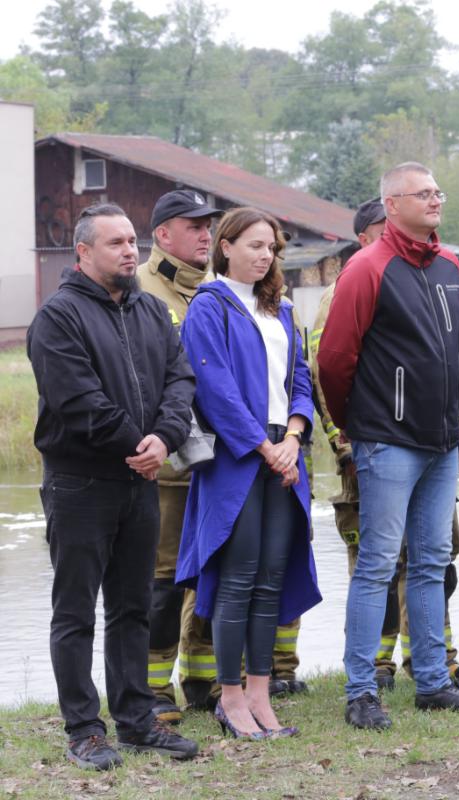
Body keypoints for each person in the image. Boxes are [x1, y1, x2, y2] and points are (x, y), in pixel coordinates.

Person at [319, 162, 459, 727]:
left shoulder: (449, 267)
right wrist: (360, 423)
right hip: (387, 442)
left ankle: (433, 682)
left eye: (438, 191)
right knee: (376, 565)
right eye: (423, 194)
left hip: (442, 441)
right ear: (392, 204)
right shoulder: (367, 269)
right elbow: (334, 359)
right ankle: (360, 692)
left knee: (430, 562)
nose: (436, 200)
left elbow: (456, 356)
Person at [28, 203, 199, 770]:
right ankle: (83, 729)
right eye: (116, 243)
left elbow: (180, 379)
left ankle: (136, 719)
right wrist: (140, 444)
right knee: (75, 611)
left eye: (132, 241)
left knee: (133, 607)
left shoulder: (151, 311)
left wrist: (166, 437)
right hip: (81, 483)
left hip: (141, 480)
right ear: (83, 252)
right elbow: (77, 402)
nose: (130, 250)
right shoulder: (58, 318)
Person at [176, 207, 322, 739]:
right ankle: (230, 697)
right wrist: (264, 446)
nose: (265, 256)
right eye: (255, 245)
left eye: (272, 249)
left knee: (270, 579)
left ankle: (261, 695)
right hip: (239, 457)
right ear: (226, 246)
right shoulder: (209, 307)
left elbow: (300, 377)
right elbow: (215, 390)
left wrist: (294, 438)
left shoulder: (279, 308)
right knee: (237, 578)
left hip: (285, 453)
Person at [137, 190, 222, 721]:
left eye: (209, 226)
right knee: (163, 579)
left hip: (220, 461)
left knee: (212, 571)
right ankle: (151, 689)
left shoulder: (215, 289)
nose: (205, 235)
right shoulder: (140, 291)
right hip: (164, 466)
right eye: (193, 226)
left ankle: (203, 680)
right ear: (163, 234)